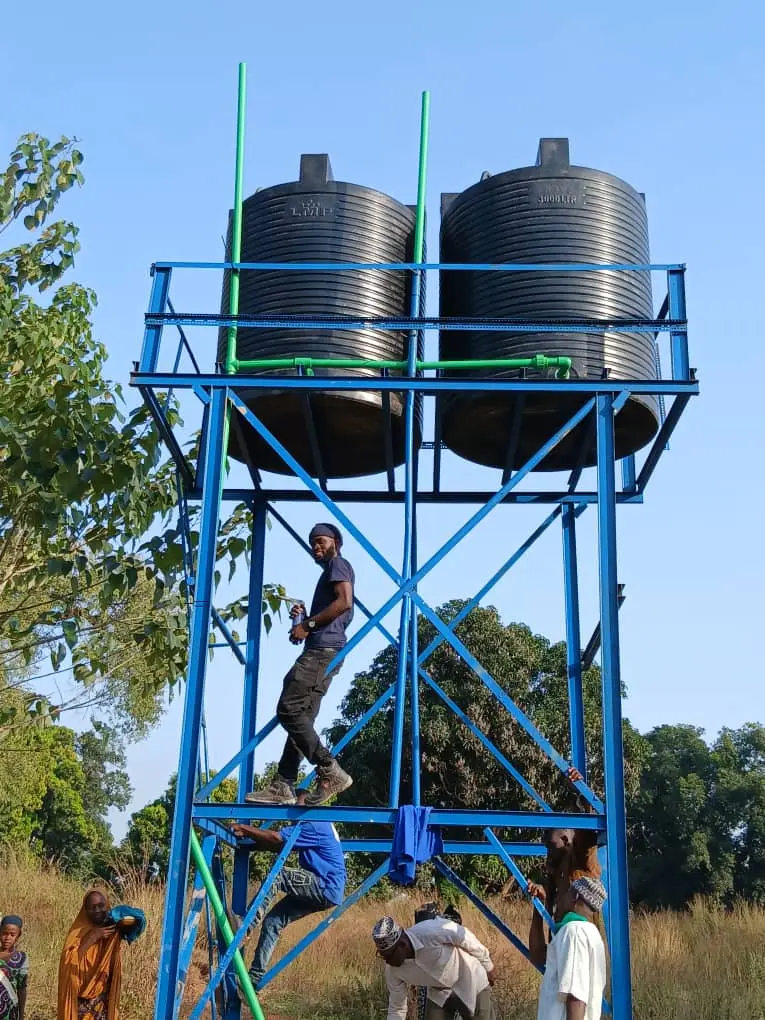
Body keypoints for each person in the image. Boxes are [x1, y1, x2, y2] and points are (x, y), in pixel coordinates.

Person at [247, 522, 354, 807]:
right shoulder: (332, 571)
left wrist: (307, 625)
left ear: (335, 542)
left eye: (321, 541)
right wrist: (305, 618)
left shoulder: (338, 565)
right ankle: (283, 783)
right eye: (312, 542)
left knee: (289, 708)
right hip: (327, 649)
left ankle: (329, 768)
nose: (316, 546)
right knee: (302, 717)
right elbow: (335, 611)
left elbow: (344, 602)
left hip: (321, 651)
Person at [231, 820, 346, 987]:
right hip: (330, 891)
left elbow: (277, 839)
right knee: (273, 922)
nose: (290, 817)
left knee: (279, 875)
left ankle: (246, 925)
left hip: (324, 884)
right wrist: (252, 838)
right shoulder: (319, 823)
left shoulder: (314, 824)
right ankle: (254, 978)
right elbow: (277, 845)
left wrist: (245, 828)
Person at [527, 767, 601, 965]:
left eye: (551, 847)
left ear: (567, 840)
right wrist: (538, 904)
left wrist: (581, 792)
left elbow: (587, 832)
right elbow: (538, 957)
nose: (548, 854)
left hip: (581, 949)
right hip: (564, 949)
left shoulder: (580, 860)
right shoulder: (554, 876)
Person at [372, 914, 497, 1020]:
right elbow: (397, 1008)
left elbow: (463, 936)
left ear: (403, 945)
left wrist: (488, 966)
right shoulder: (392, 970)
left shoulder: (428, 932)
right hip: (439, 994)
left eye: (389, 955)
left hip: (470, 981)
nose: (387, 961)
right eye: (382, 955)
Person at [58, 890, 146, 1020]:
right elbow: (69, 963)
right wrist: (93, 937)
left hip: (102, 1003)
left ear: (107, 905)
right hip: (79, 1003)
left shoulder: (113, 928)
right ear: (85, 910)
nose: (97, 910)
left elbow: (139, 919)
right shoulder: (77, 933)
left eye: (101, 905)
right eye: (92, 907)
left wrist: (117, 915)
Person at [536, 877, 607, 1020]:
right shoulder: (589, 933)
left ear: (575, 896)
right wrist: (537, 907)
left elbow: (576, 997)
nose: (560, 899)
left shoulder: (574, 932)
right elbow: (538, 955)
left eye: (567, 893)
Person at [0, 915, 28, 1020]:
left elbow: (22, 987)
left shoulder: (21, 958)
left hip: (10, 1011)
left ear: (18, 936)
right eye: (4, 933)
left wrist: (21, 1014)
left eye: (12, 935)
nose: (8, 938)